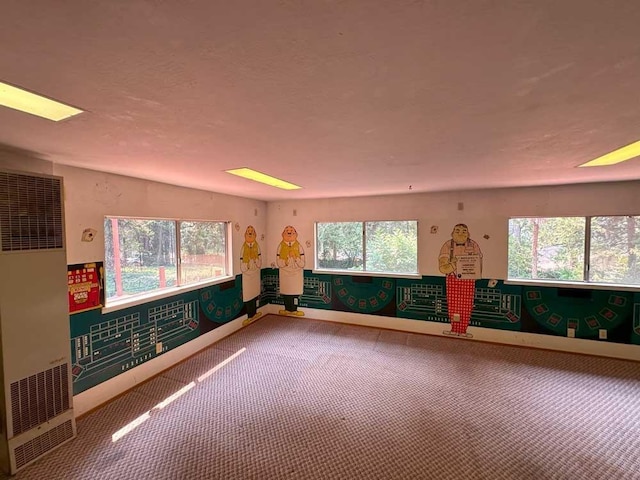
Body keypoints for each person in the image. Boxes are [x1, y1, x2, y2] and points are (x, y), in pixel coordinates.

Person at [438, 223, 482, 337]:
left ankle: (463, 330)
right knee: (453, 303)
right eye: (457, 230)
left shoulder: (474, 245)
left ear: (468, 233)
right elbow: (442, 265)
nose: (461, 233)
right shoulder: (448, 245)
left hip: (468, 278)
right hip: (452, 277)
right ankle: (454, 328)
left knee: (466, 304)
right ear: (452, 232)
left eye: (464, 231)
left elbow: (478, 262)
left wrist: (475, 273)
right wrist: (452, 264)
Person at [276, 225, 305, 316]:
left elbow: (302, 263)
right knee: (286, 292)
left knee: (295, 293)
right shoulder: (280, 247)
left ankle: (294, 310)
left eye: (291, 231)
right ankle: (287, 309)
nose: (289, 232)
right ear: (282, 234)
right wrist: (285, 262)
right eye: (286, 231)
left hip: (296, 274)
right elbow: (278, 261)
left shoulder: (299, 246)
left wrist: (295, 257)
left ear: (296, 234)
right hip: (284, 273)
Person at [240, 225, 262, 325]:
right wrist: (247, 265)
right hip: (247, 275)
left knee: (254, 294)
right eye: (248, 231)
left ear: (255, 234)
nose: (250, 233)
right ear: (245, 234)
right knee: (248, 295)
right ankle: (249, 315)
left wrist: (255, 260)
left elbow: (260, 260)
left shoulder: (257, 247)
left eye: (252, 231)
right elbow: (241, 263)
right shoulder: (243, 248)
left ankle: (254, 313)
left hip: (255, 274)